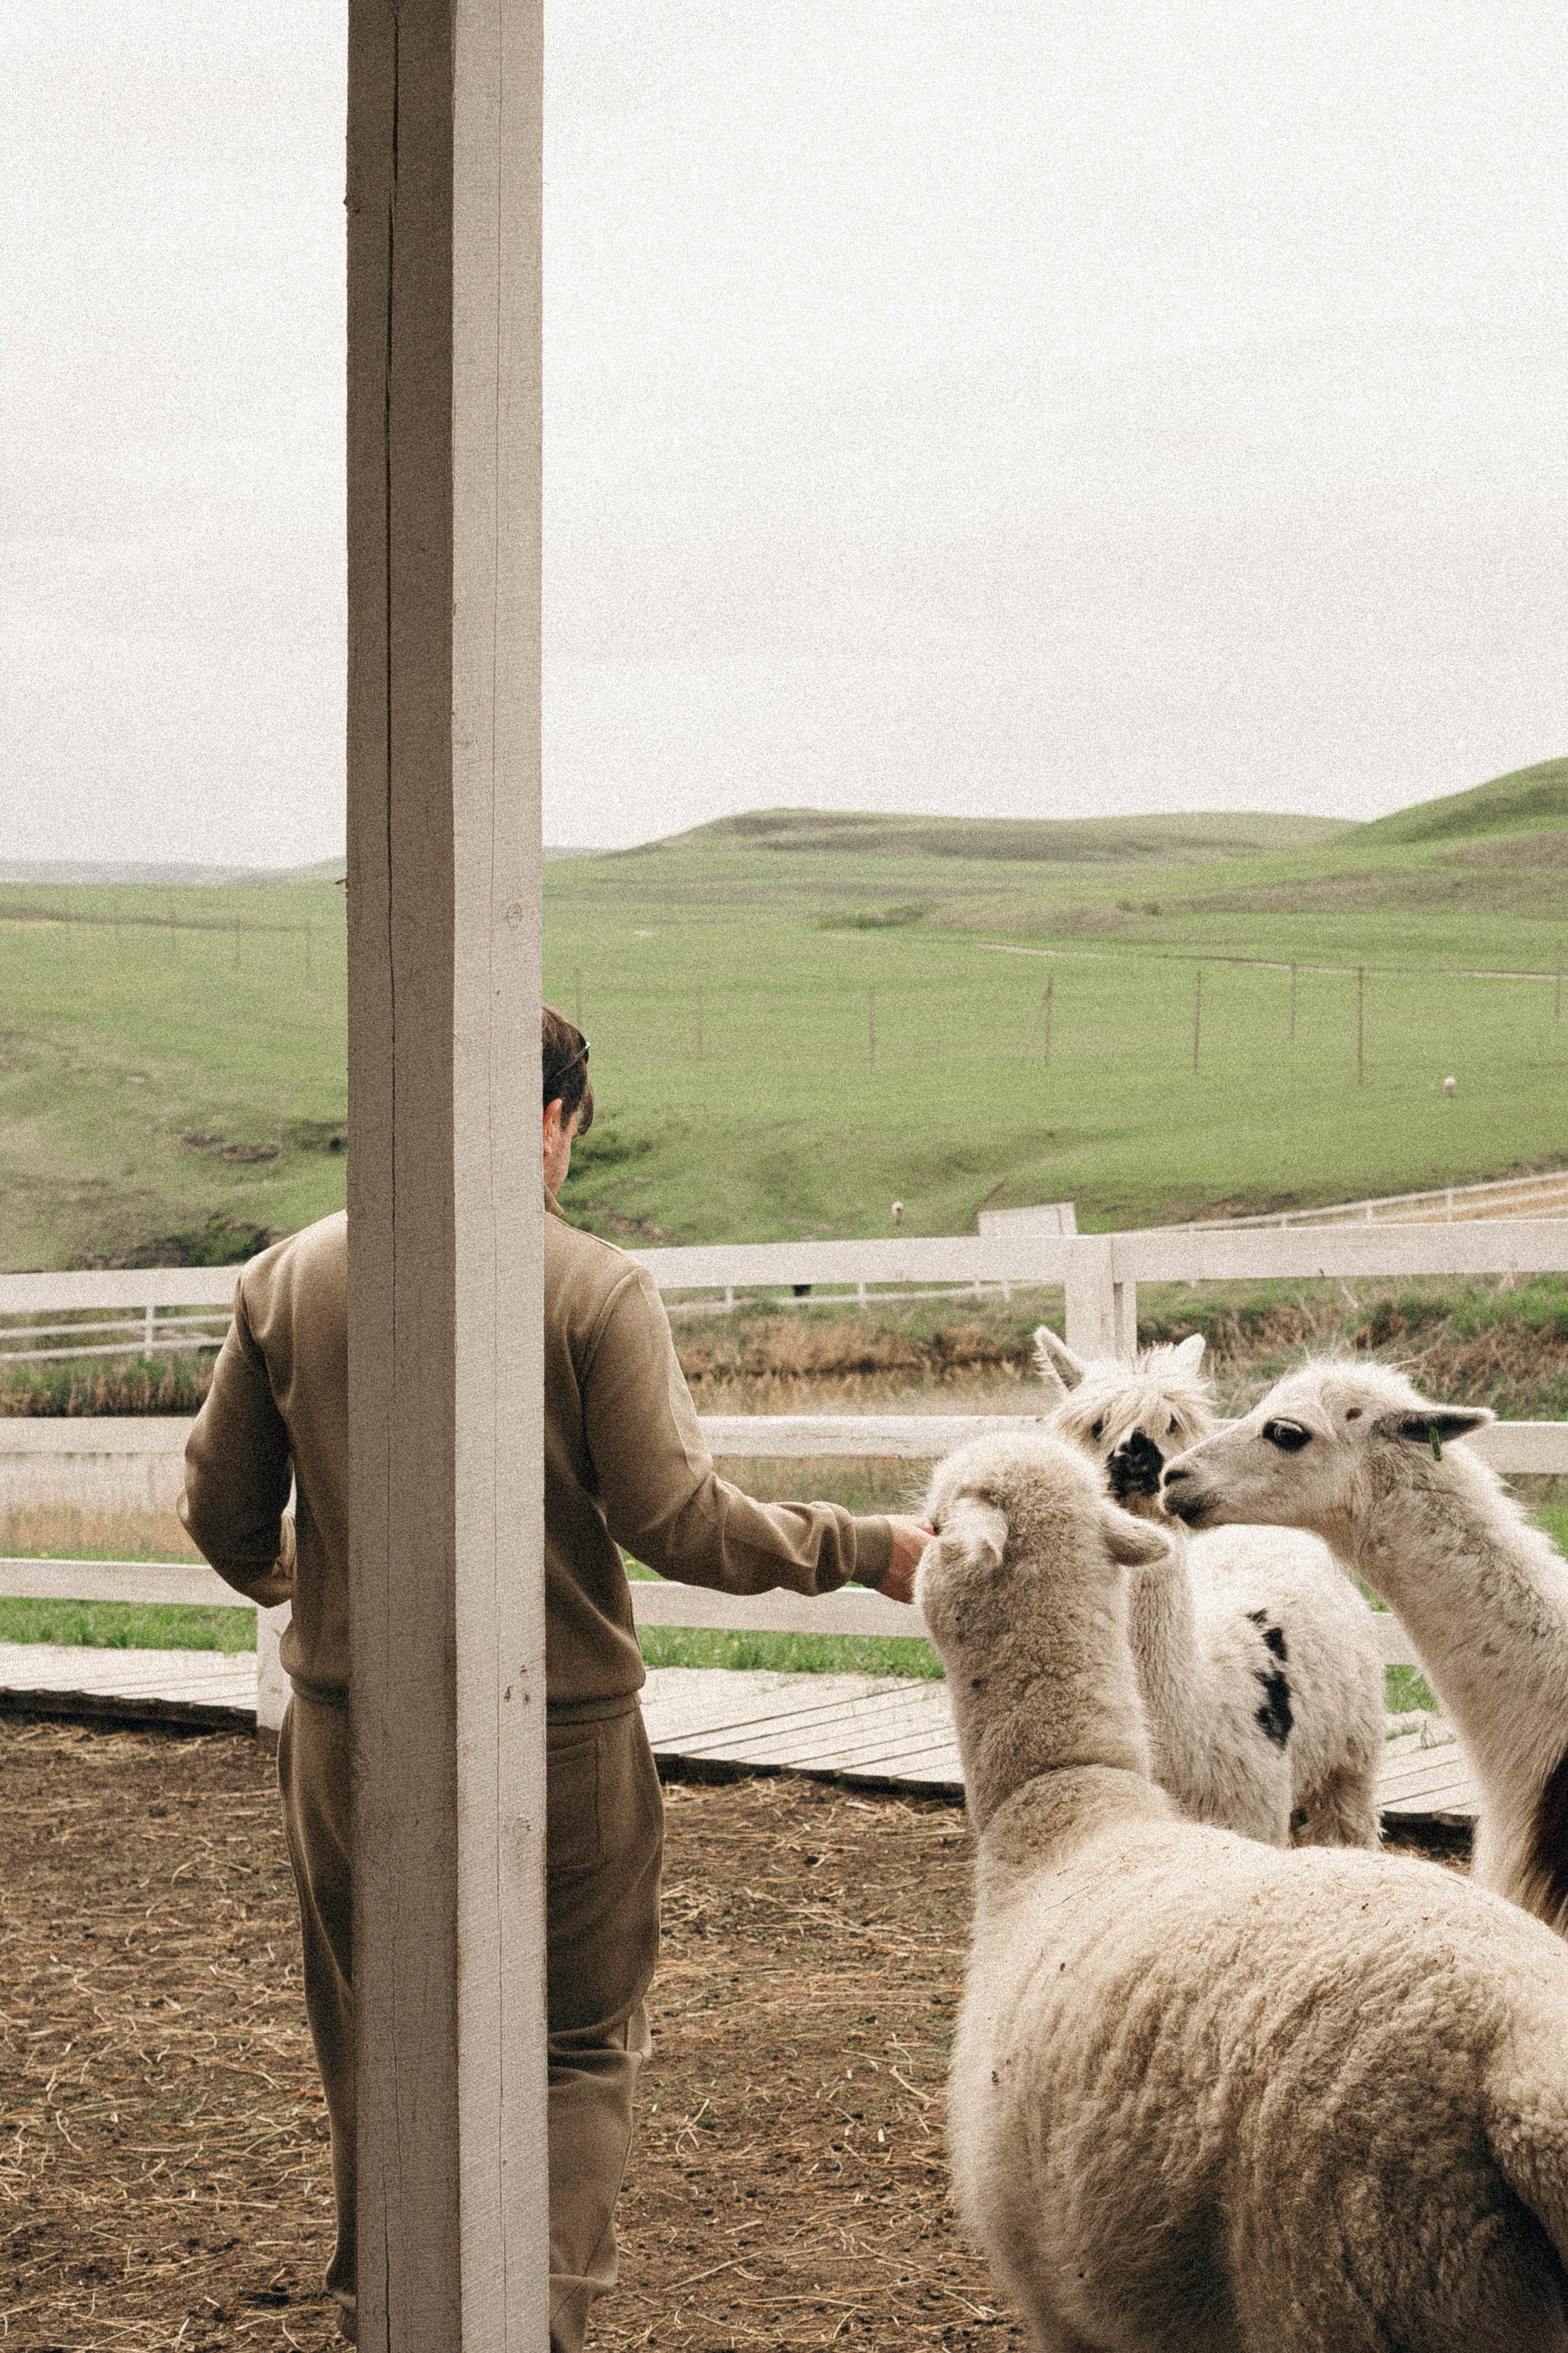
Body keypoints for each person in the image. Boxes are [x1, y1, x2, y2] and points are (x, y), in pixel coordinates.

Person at [179, 1006, 932, 2350]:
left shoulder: (289, 1277)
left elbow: (223, 1514)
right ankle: (543, 2322)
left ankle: (388, 2312)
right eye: (572, 1136)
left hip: (346, 1738)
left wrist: (320, 1587)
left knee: (376, 2035)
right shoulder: (590, 1286)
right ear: (546, 1122)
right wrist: (864, 1551)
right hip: (564, 1735)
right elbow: (673, 1517)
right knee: (577, 2046)